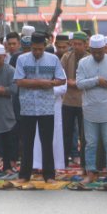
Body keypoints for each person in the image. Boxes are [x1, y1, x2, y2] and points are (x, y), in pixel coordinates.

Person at [14, 33, 66, 184]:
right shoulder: (22, 59)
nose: (37, 52)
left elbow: (61, 79)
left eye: (40, 49)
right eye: (34, 49)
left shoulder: (53, 59)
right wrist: (41, 83)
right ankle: (24, 175)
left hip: (46, 107)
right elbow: (18, 81)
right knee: (27, 142)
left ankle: (49, 175)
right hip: (27, 106)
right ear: (30, 47)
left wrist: (50, 84)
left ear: (44, 46)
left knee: (47, 142)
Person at [76, 34, 107, 184]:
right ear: (90, 49)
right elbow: (79, 84)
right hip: (90, 109)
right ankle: (90, 172)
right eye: (94, 52)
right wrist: (96, 80)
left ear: (105, 49)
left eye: (100, 51)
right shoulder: (83, 63)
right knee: (90, 143)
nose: (97, 54)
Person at [61, 31, 89, 169]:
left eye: (79, 44)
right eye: (74, 44)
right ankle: (64, 161)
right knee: (66, 133)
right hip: (68, 101)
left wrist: (76, 83)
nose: (76, 47)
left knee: (85, 135)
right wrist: (73, 83)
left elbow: (90, 80)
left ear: (86, 44)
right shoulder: (67, 57)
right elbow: (60, 78)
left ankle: (84, 163)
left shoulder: (90, 58)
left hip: (85, 102)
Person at [0, 44, 18, 175]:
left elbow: (14, 89)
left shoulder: (11, 70)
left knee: (7, 140)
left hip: (5, 109)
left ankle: (7, 166)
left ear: (4, 57)